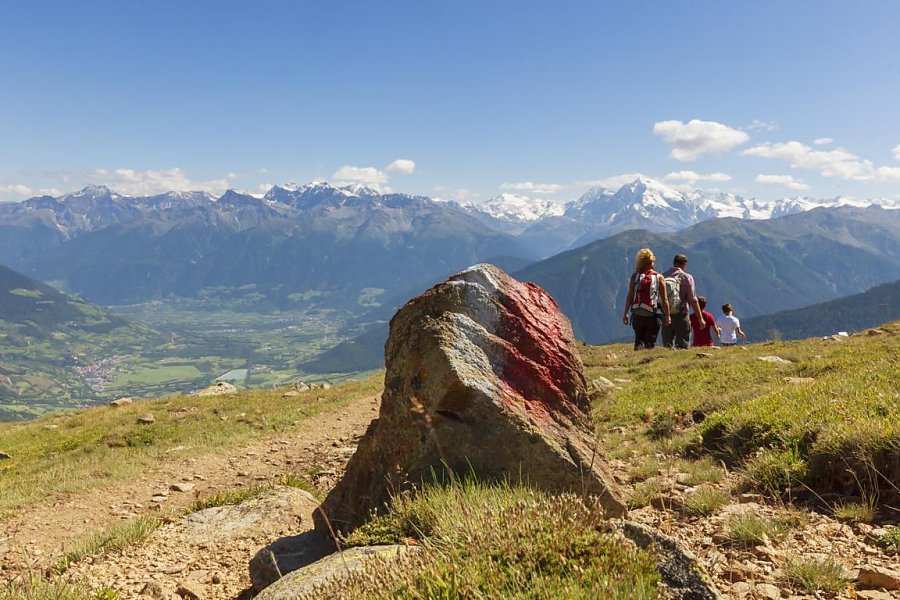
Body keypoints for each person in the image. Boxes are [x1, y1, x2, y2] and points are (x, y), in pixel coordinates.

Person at [622, 248, 670, 350]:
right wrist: (667, 315)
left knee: (638, 340)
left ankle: (636, 360)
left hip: (637, 314)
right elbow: (664, 299)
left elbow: (630, 296)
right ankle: (645, 362)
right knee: (649, 343)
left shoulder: (635, 276)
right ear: (651, 262)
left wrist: (625, 313)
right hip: (652, 315)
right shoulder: (658, 277)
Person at [662, 254, 704, 349]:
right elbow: (693, 299)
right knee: (683, 346)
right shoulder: (687, 277)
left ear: (673, 263)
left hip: (666, 314)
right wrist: (700, 318)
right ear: (685, 264)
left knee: (667, 346)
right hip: (681, 315)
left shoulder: (663, 276)